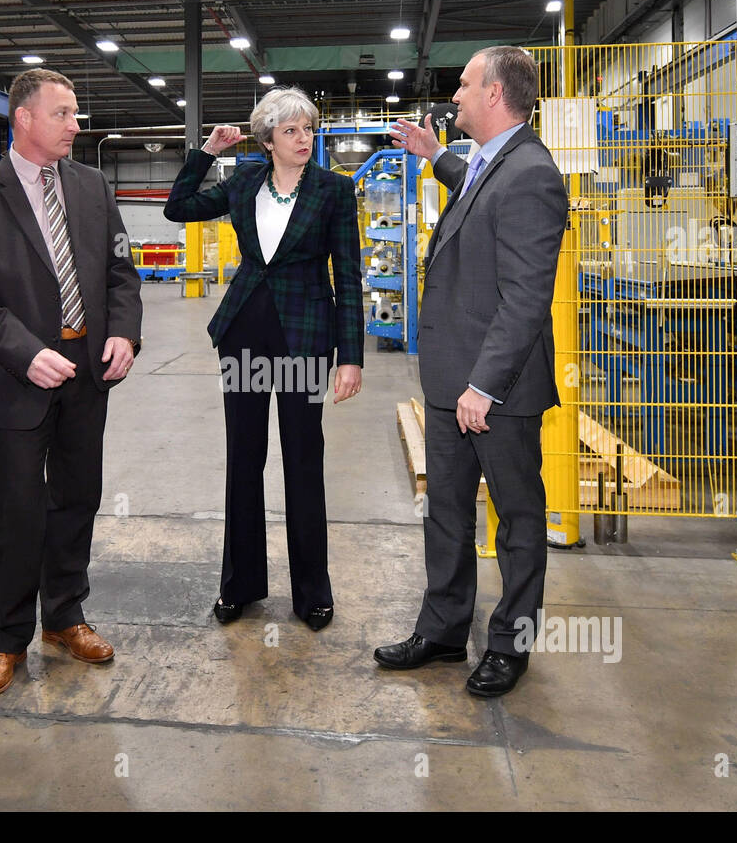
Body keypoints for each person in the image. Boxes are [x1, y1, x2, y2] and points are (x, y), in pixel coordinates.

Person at [374, 46, 568, 697]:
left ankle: (511, 645)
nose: (453, 95)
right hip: (451, 379)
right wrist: (435, 157)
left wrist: (483, 387)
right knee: (447, 512)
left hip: (496, 390)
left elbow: (525, 299)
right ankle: (444, 628)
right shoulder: (492, 162)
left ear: (494, 95)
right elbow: (474, 186)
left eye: (463, 85)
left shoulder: (533, 174)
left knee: (515, 519)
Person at [163, 87, 364, 631]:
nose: (305, 139)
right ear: (268, 139)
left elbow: (348, 276)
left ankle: (312, 593)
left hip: (305, 337)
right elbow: (178, 208)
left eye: (309, 129)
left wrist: (351, 357)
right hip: (245, 334)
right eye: (293, 131)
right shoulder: (243, 181)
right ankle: (240, 585)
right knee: (243, 460)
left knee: (304, 463)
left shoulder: (333, 190)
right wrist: (205, 152)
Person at [0, 69, 142, 697]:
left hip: (87, 375)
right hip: (20, 379)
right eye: (64, 114)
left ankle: (65, 615)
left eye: (76, 113)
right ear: (24, 118)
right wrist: (23, 352)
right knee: (15, 508)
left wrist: (123, 332)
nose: (77, 125)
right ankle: (7, 637)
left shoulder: (93, 185)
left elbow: (122, 273)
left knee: (77, 497)